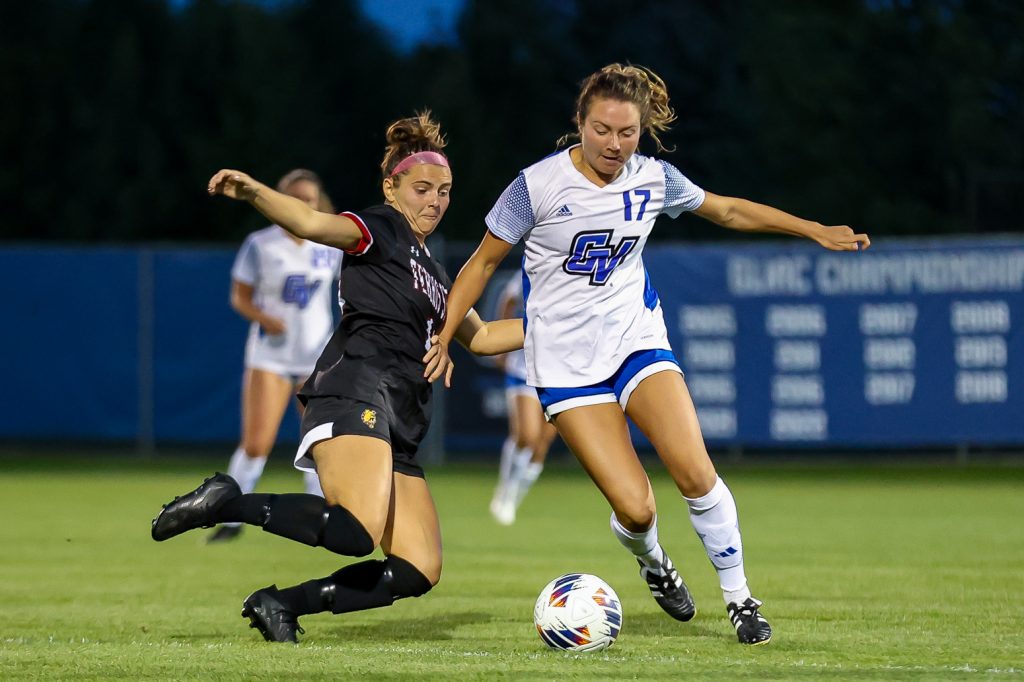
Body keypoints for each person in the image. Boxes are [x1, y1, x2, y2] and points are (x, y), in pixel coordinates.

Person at [425, 64, 871, 646]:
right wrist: (444, 334)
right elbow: (480, 264)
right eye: (603, 129)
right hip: (563, 364)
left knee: (695, 470)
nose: (615, 143)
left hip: (637, 340)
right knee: (636, 511)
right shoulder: (535, 186)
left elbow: (728, 211)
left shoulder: (655, 179)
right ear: (579, 124)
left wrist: (812, 228)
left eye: (627, 132)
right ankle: (655, 562)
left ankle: (740, 598)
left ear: (642, 130)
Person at [151, 112, 523, 643]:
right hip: (357, 388)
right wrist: (255, 190)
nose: (435, 201)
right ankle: (225, 502)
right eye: (421, 188)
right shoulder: (380, 229)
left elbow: (483, 338)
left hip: (401, 419)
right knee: (355, 532)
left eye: (444, 191)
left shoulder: (440, 277)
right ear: (391, 188)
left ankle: (279, 604)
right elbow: (310, 224)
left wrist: (558, 325)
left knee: (419, 568)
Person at [208, 169, 340, 543]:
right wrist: (264, 317)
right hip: (272, 356)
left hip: (316, 356)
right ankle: (228, 516)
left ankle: (322, 515)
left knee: (319, 441)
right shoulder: (261, 244)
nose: (303, 206)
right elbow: (240, 296)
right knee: (256, 444)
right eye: (295, 198)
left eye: (310, 200)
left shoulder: (328, 243)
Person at [489, 272, 558, 526]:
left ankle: (514, 499)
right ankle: (504, 492)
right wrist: (503, 342)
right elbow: (508, 299)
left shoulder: (577, 277)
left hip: (561, 371)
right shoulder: (531, 270)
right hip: (525, 367)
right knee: (527, 436)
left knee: (541, 445)